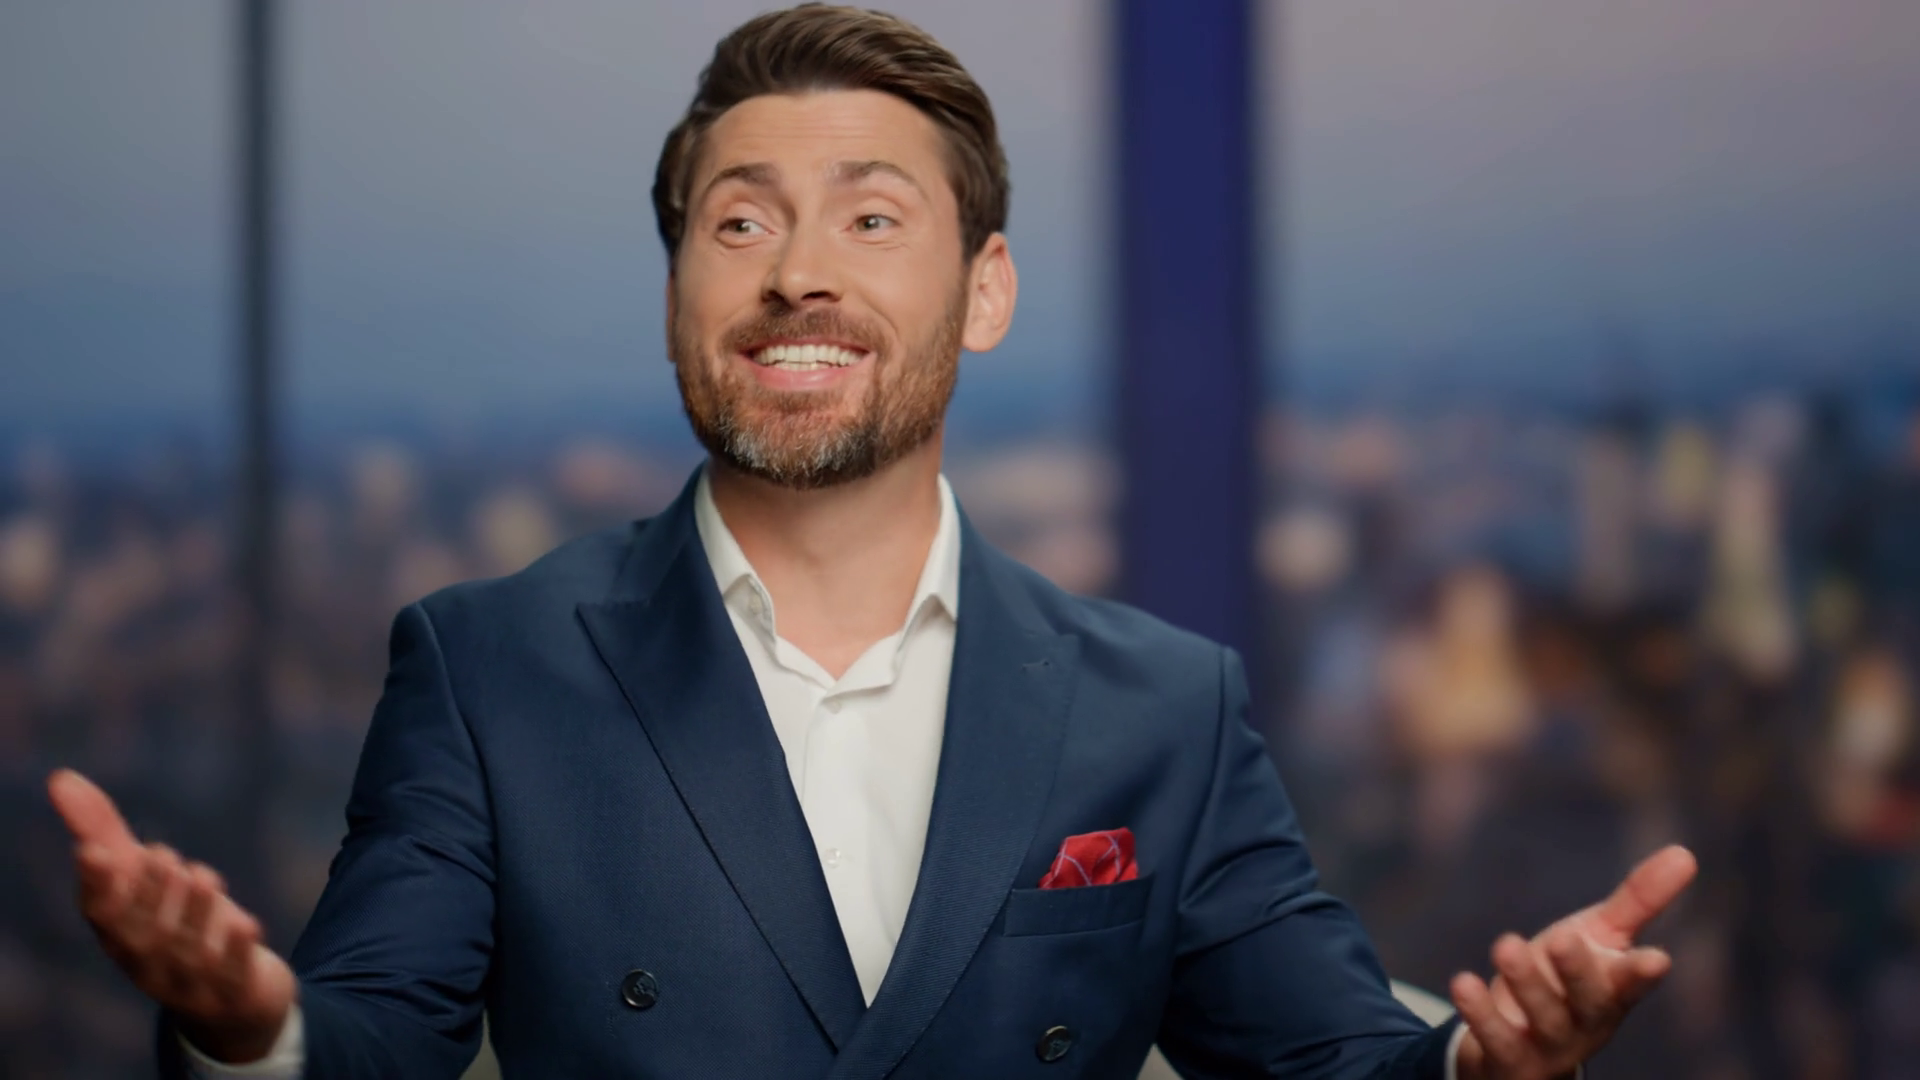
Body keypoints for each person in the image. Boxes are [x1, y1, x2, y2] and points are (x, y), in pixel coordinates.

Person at [46, 6, 1696, 1077]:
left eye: (873, 217)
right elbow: (370, 1036)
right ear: (678, 295)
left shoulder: (1159, 707)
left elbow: (1334, 1056)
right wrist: (247, 1024)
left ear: (986, 292)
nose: (797, 272)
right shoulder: (491, 668)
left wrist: (1485, 1063)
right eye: (739, 220)